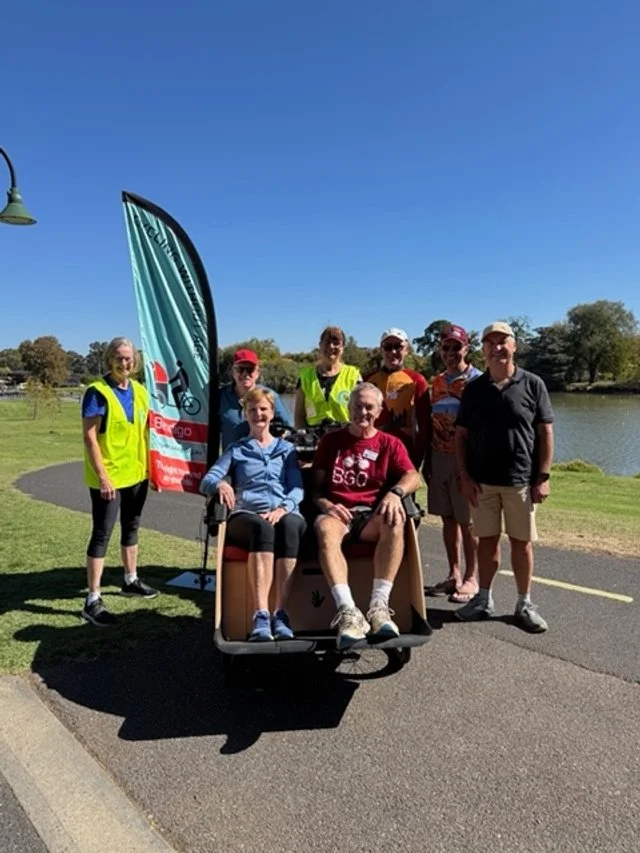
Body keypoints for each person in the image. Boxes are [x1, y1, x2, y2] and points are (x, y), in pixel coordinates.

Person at [454, 322, 554, 632]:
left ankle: (524, 603)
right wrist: (465, 476)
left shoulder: (533, 384)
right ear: (483, 349)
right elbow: (461, 436)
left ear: (514, 346)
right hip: (482, 482)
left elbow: (545, 432)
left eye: (503, 341)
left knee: (521, 544)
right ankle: (483, 599)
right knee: (486, 541)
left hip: (520, 481)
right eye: (490, 343)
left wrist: (543, 476)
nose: (497, 347)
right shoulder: (473, 389)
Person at [312, 383, 421, 650]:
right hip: (338, 514)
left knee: (395, 519)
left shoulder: (390, 443)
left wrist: (395, 493)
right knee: (324, 530)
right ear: (349, 408)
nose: (363, 412)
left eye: (369, 407)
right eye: (358, 406)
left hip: (371, 515)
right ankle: (348, 612)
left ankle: (379, 607)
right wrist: (326, 505)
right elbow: (315, 490)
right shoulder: (331, 442)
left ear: (379, 411)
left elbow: (413, 476)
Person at [201, 387, 306, 641]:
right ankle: (260, 615)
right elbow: (207, 480)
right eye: (252, 410)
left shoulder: (286, 449)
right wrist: (220, 484)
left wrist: (282, 509)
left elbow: (297, 488)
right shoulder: (237, 449)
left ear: (272, 413)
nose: (258, 414)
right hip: (247, 513)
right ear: (245, 414)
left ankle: (280, 613)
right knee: (262, 528)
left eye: (263, 409)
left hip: (283, 511)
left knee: (290, 526)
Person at [81, 337, 158, 627]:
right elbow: (90, 437)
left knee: (132, 526)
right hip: (109, 477)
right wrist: (103, 476)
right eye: (118, 357)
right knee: (102, 533)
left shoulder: (141, 391)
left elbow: (149, 430)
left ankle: (130, 580)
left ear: (135, 361)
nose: (124, 363)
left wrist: (154, 471)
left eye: (128, 358)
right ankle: (92, 599)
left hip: (136, 473)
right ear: (109, 359)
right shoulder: (97, 392)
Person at [425, 325, 482, 603]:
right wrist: (428, 461)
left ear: (466, 349)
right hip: (439, 457)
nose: (450, 352)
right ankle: (454, 574)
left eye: (456, 347)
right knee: (447, 518)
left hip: (466, 460)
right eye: (445, 347)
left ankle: (471, 578)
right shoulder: (435, 383)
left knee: (467, 521)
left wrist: (472, 467)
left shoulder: (477, 381)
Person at [365, 327, 431, 467]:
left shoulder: (417, 380)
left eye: (398, 346)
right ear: (381, 349)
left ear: (406, 349)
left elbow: (425, 424)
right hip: (371, 453)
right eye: (388, 347)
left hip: (404, 454)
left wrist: (418, 458)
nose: (393, 352)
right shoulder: (368, 379)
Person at [219, 348, 291, 450]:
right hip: (231, 457)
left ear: (257, 373)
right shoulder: (220, 396)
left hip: (264, 457)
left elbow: (285, 429)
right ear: (233, 371)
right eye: (240, 369)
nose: (245, 374)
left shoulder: (270, 396)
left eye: (250, 369)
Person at [294, 326, 361, 429]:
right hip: (313, 435)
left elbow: (361, 413)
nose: (331, 346)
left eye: (336, 343)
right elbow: (299, 416)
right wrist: (301, 435)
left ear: (343, 347)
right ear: (320, 345)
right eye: (327, 342)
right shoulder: (305, 377)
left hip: (344, 434)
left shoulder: (354, 376)